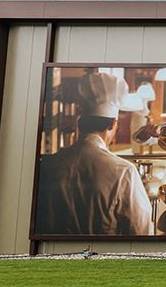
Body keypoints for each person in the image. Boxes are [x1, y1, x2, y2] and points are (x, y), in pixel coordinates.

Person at [36, 72, 153, 236]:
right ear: (113, 124)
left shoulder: (49, 164)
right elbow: (141, 232)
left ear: (79, 123)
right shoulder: (124, 172)